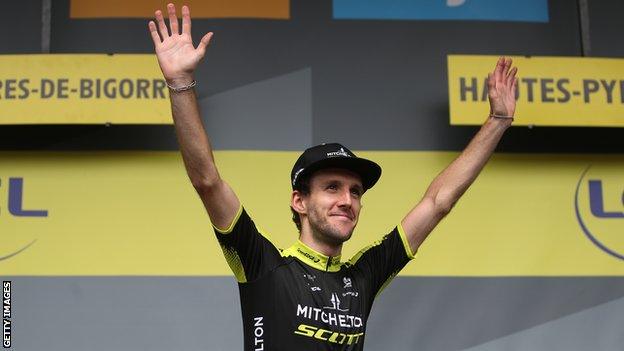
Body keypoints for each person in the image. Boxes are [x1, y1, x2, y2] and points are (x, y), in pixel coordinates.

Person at [148, 4, 517, 350]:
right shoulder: (264, 265)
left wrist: (498, 121)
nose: (347, 200)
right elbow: (207, 181)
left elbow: (438, 202)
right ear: (300, 201)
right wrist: (180, 83)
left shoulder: (364, 275)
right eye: (332, 188)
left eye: (356, 191)